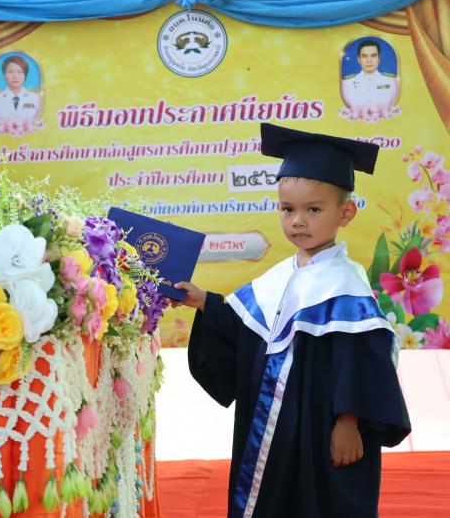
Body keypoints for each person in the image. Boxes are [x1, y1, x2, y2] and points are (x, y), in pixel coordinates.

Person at [173, 123, 411, 517]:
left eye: (313, 210)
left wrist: (348, 422)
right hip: (273, 431)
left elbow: (361, 363)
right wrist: (205, 304)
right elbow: (244, 334)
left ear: (346, 213)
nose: (298, 221)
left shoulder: (346, 284)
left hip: (321, 428)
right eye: (288, 209)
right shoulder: (280, 276)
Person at [341, 39, 398, 110]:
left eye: (373, 56)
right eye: (364, 56)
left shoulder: (391, 81)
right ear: (358, 59)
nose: (369, 60)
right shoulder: (347, 82)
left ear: (379, 59)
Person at [0, 55, 41, 124]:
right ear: (4, 75)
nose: (15, 76)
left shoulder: (36, 98)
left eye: (19, 72)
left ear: (25, 75)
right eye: (10, 72)